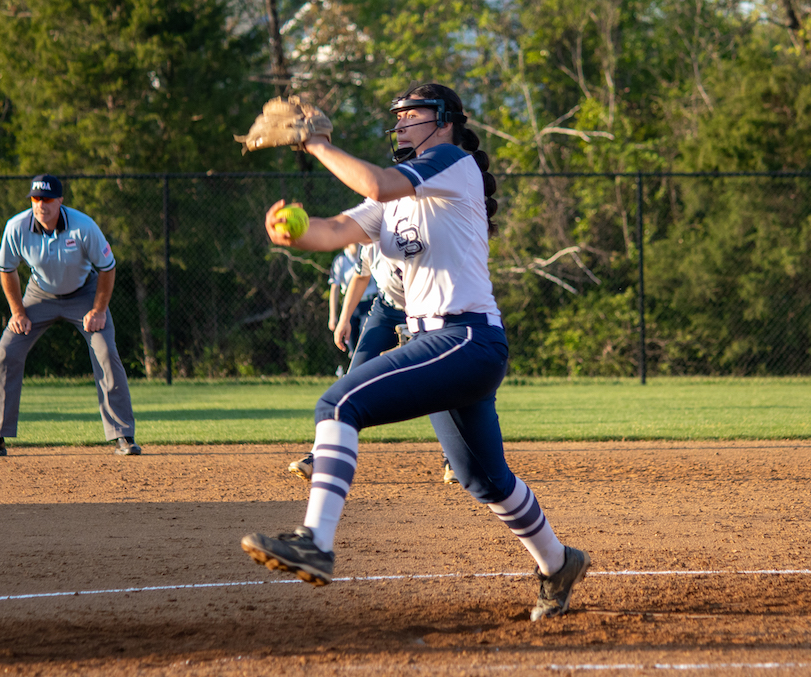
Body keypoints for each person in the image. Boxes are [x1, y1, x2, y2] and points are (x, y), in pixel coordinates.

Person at [243, 83, 589, 621]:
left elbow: (379, 185)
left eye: (413, 114)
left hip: (466, 337)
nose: (401, 123)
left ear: (445, 120)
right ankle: (558, 564)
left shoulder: (453, 161)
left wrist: (315, 144)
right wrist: (293, 235)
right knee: (484, 479)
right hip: (441, 345)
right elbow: (337, 229)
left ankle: (315, 540)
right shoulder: (401, 197)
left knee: (338, 405)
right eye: (398, 116)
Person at [0, 174, 141, 458]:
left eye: (47, 199)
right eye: (36, 198)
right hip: (40, 294)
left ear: (60, 200)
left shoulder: (84, 227)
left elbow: (108, 268)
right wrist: (17, 312)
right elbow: (6, 269)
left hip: (85, 293)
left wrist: (98, 310)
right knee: (6, 352)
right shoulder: (17, 227)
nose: (41, 204)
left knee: (106, 351)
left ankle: (123, 435)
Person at [287, 241, 458, 484]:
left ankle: (453, 459)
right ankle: (320, 456)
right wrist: (344, 318)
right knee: (350, 383)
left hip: (427, 310)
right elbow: (359, 276)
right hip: (387, 310)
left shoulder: (416, 232)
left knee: (439, 382)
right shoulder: (369, 242)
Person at [327, 243, 378, 360]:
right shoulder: (340, 260)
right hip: (351, 307)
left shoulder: (369, 251)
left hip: (370, 304)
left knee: (365, 341)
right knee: (353, 346)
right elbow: (334, 287)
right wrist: (333, 316)